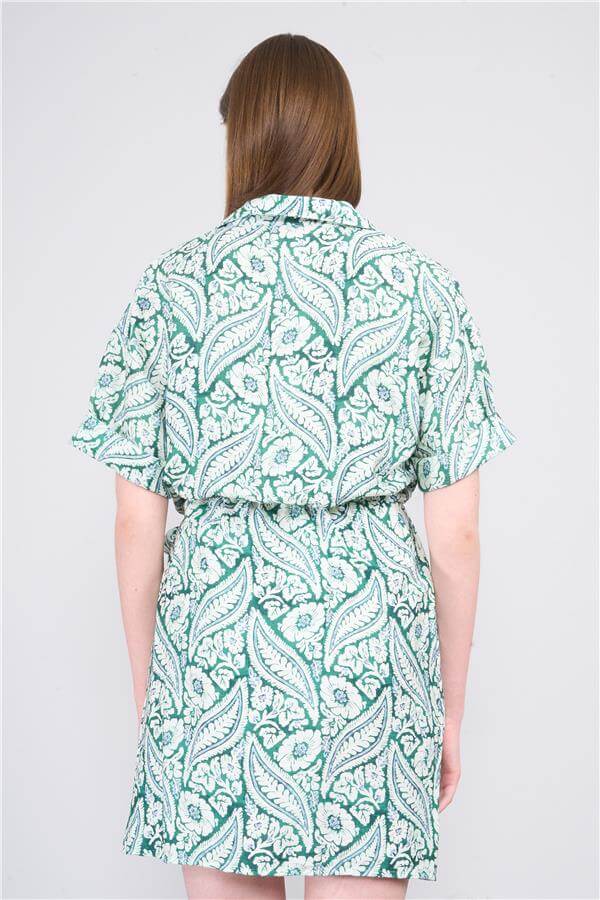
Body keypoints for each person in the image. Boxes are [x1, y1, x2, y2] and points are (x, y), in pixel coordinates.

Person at [71, 33, 515, 900]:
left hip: (214, 645)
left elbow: (134, 520)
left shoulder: (172, 286)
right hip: (370, 654)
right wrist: (447, 711)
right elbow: (455, 537)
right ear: (342, 135)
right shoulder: (421, 286)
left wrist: (158, 698)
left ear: (240, 139)